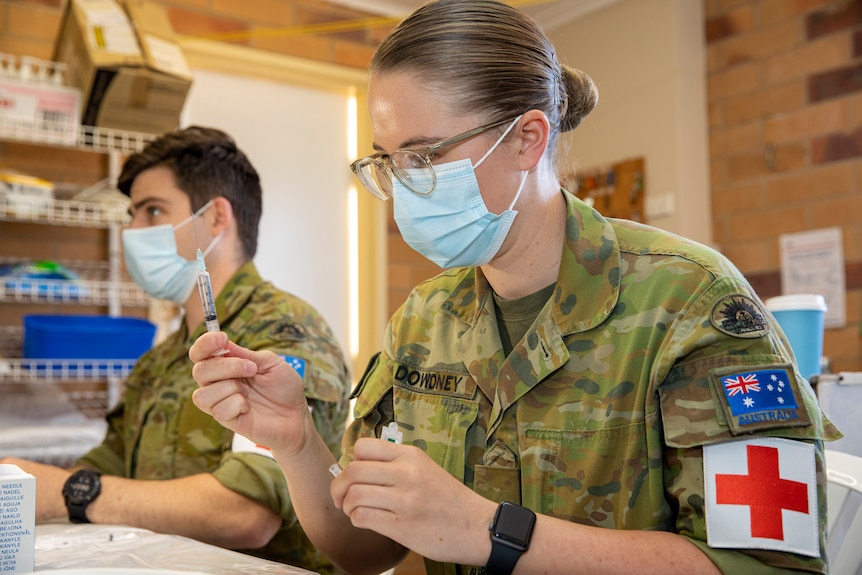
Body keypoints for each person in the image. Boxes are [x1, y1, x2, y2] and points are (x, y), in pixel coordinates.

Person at [189, 1, 841, 574]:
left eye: (424, 155)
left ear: (527, 138)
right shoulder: (426, 319)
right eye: (387, 161)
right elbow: (367, 550)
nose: (403, 187)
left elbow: (766, 565)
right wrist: (297, 441)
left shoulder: (689, 301)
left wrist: (488, 531)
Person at [1, 126, 352, 574]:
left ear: (216, 218)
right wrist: (29, 483)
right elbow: (104, 464)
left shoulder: (281, 335)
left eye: (152, 211)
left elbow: (245, 514)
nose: (132, 231)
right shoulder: (161, 359)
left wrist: (72, 493)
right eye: (131, 215)